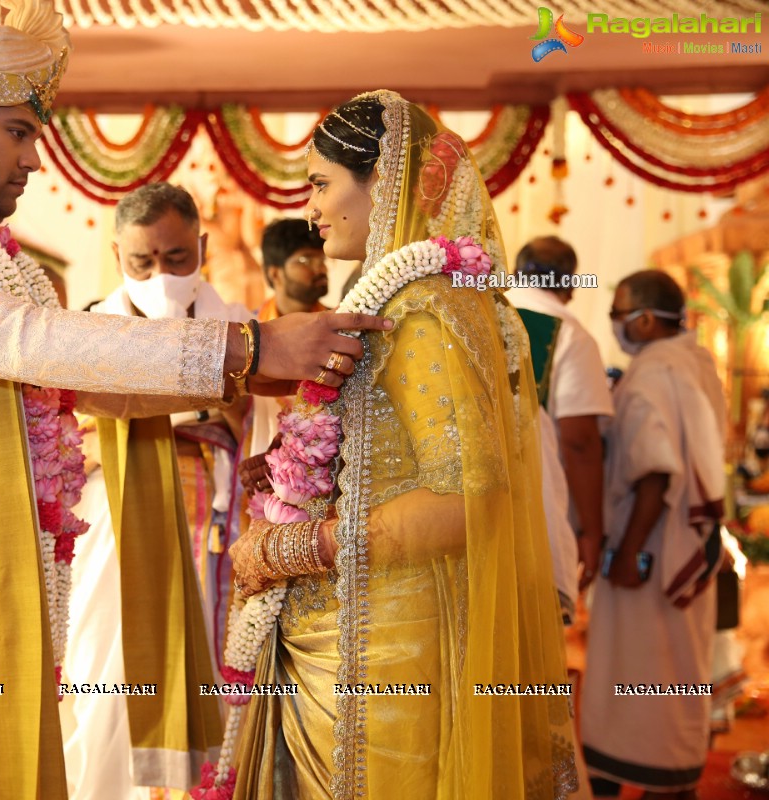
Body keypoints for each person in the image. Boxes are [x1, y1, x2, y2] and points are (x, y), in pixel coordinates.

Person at [0, 3, 390, 797]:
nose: (34, 159)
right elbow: (23, 341)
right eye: (17, 131)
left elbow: (75, 381)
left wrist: (252, 374)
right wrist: (247, 347)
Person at [228, 91, 576, 799]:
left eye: (323, 184)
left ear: (380, 185)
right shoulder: (407, 297)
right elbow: (396, 460)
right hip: (366, 628)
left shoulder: (420, 314)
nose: (312, 208)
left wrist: (301, 545)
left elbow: (465, 500)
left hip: (386, 656)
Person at [62, 183, 238, 797]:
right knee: (103, 669)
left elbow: (267, 436)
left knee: (212, 666)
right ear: (118, 257)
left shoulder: (239, 330)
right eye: (142, 262)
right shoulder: (87, 333)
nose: (161, 275)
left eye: (177, 258)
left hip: (215, 532)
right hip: (114, 529)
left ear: (203, 246)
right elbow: (65, 438)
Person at [581, 270, 726, 800]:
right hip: (685, 538)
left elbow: (655, 471)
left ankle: (648, 774)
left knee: (639, 669)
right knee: (675, 669)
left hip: (653, 546)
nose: (616, 323)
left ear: (644, 318)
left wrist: (629, 551)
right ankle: (671, 774)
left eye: (619, 313)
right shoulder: (693, 360)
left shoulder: (651, 374)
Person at [509, 236, 613, 597]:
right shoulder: (569, 334)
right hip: (534, 511)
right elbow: (580, 442)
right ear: (569, 286)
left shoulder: (481, 312)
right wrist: (591, 531)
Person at [243, 218, 331, 477]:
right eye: (305, 261)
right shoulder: (249, 333)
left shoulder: (338, 324)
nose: (319, 268)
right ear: (275, 273)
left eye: (321, 260)